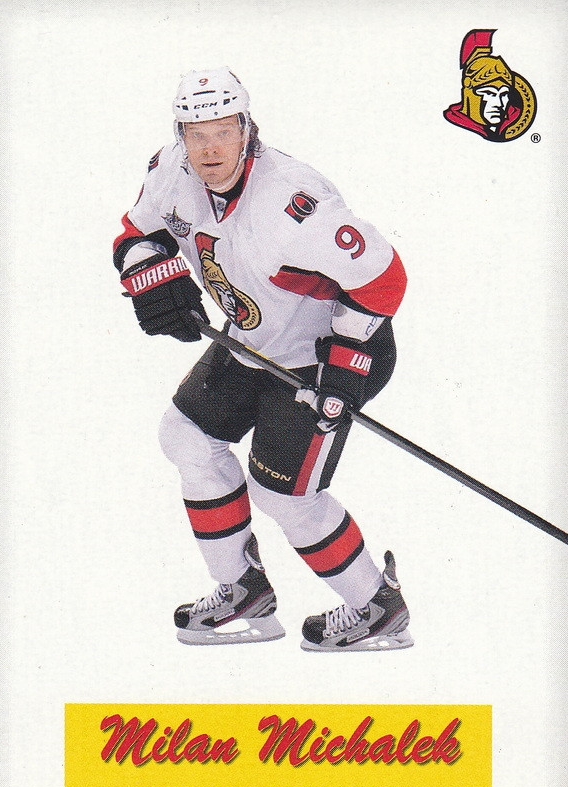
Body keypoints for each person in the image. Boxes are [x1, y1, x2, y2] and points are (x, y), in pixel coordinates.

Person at [113, 67, 413, 652]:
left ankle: (377, 607)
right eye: (196, 134)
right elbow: (136, 232)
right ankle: (243, 590)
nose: (210, 149)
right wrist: (151, 273)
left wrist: (345, 366)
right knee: (186, 438)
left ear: (248, 129)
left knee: (283, 494)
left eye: (223, 131)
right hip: (253, 344)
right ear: (180, 135)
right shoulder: (171, 172)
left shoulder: (291, 201)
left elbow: (383, 278)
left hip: (327, 355)